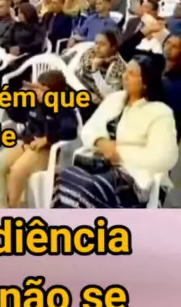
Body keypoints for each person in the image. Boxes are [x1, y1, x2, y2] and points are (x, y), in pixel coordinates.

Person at [52, 55, 179, 208]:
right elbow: (89, 129)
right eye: (125, 71)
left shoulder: (160, 112)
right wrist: (100, 142)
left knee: (90, 187)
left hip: (135, 177)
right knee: (65, 177)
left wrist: (120, 153)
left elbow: (165, 157)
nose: (125, 76)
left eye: (131, 74)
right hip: (101, 165)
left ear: (145, 83)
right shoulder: (115, 99)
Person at [0, 70, 78, 208]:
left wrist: (47, 139)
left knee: (16, 172)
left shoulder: (64, 106)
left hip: (46, 150)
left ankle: (10, 211)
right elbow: (17, 115)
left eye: (41, 90)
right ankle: (1, 210)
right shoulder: (33, 100)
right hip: (28, 142)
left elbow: (70, 130)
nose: (36, 92)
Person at [75, 31, 126, 109]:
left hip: (98, 106)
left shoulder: (119, 67)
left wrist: (95, 71)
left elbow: (108, 96)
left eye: (102, 44)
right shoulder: (89, 54)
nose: (97, 47)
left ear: (113, 48)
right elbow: (76, 75)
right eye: (96, 43)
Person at [162, 35, 181, 139]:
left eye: (174, 46)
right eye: (168, 43)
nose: (169, 47)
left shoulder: (177, 81)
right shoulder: (154, 64)